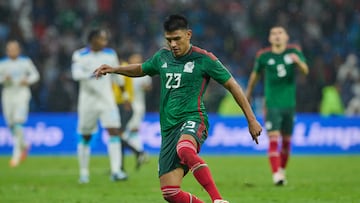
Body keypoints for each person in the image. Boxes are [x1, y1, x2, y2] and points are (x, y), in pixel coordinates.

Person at [94, 14, 262, 203]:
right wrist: (115, 69)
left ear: (188, 34)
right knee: (170, 193)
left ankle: (218, 199)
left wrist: (251, 119)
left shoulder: (204, 59)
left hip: (193, 118)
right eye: (169, 40)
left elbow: (233, 85)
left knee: (184, 148)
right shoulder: (162, 57)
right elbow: (141, 69)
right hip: (168, 128)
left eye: (177, 39)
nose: (173, 44)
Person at [246, 25, 309, 186]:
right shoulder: (264, 56)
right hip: (272, 104)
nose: (277, 36)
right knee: (274, 139)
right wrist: (247, 93)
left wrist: (298, 63)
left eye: (280, 33)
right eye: (273, 33)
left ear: (287, 37)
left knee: (287, 142)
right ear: (269, 38)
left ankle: (281, 170)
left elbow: (305, 71)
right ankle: (276, 174)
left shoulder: (294, 52)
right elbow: (255, 75)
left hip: (289, 105)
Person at [71, 28, 127, 183]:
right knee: (86, 136)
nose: (105, 42)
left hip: (107, 100)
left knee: (114, 131)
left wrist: (125, 95)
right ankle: (83, 173)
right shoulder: (79, 55)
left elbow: (117, 76)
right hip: (87, 102)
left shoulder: (110, 54)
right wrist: (93, 73)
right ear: (93, 39)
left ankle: (116, 171)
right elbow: (76, 75)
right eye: (102, 39)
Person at [0, 40, 40, 168]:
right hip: (8, 95)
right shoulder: (3, 64)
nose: (12, 51)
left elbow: (36, 75)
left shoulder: (25, 62)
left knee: (18, 123)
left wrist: (27, 80)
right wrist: (3, 79)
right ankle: (24, 145)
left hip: (22, 95)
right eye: (10, 49)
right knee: (11, 124)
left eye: (14, 49)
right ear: (7, 50)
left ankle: (16, 156)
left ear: (19, 50)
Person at [122, 53, 151, 170]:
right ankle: (140, 153)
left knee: (129, 132)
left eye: (139, 59)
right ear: (130, 59)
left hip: (137, 106)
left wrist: (145, 87)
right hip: (127, 106)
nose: (137, 60)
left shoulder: (144, 73)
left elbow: (148, 87)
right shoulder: (126, 72)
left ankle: (140, 153)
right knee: (131, 132)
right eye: (134, 58)